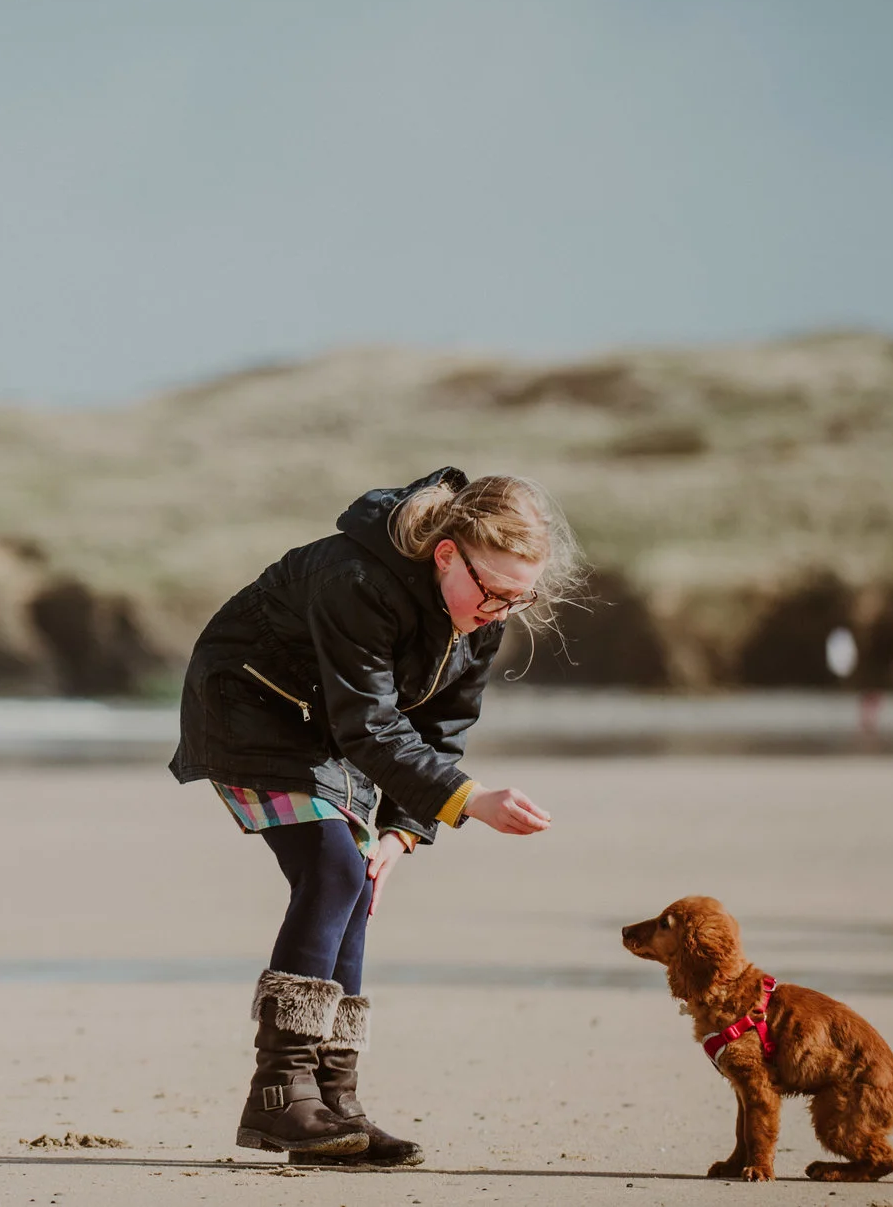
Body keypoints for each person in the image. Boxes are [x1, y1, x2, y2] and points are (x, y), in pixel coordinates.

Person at [168, 466, 585, 1166]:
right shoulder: (356, 579)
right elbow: (369, 724)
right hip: (247, 711)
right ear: (447, 553)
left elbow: (442, 728)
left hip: (332, 736)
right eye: (493, 591)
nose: (502, 611)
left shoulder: (480, 616)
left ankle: (334, 1102)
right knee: (331, 869)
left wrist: (402, 829)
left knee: (357, 878)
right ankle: (279, 1096)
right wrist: (468, 801)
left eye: (522, 597)